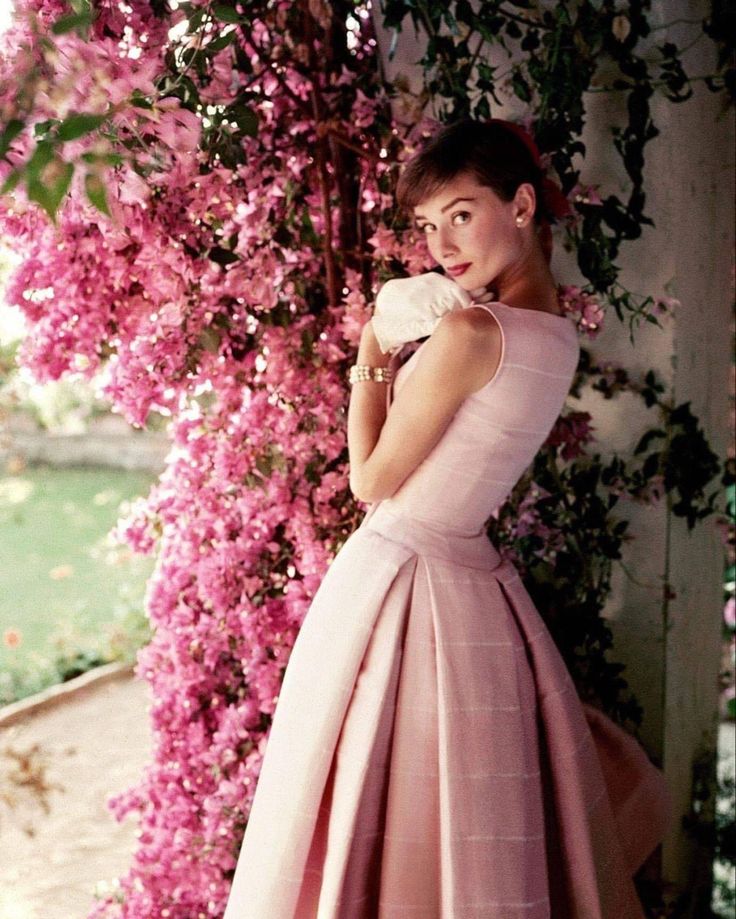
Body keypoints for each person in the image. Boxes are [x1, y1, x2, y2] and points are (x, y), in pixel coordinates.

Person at [223, 117, 673, 918]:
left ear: (524, 204)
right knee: (458, 818)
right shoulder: (557, 334)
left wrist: (371, 344)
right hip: (471, 582)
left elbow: (369, 481)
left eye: (462, 213)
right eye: (430, 225)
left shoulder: (471, 330)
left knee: (370, 809)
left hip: (401, 575)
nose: (442, 244)